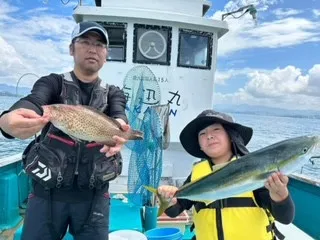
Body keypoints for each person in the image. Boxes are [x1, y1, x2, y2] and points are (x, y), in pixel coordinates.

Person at [0, 21, 129, 240]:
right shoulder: (52, 83)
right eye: (85, 42)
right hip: (46, 195)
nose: (92, 49)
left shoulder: (113, 93)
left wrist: (121, 131)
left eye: (99, 45)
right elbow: (34, 101)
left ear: (106, 53)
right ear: (71, 48)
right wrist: (7, 120)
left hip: (95, 196)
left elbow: (119, 116)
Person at [157, 109, 295, 240]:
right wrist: (167, 201)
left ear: (231, 136)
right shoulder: (198, 173)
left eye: (216, 129)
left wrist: (281, 196)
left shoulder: (253, 169)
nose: (209, 136)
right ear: (200, 145)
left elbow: (285, 218)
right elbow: (174, 211)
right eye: (202, 134)